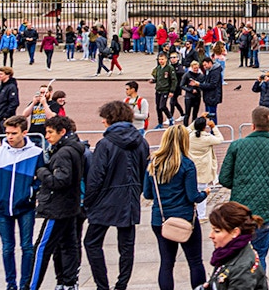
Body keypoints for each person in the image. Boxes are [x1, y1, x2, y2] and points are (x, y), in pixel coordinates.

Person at [219, 106, 269, 272]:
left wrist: (240, 186)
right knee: (260, 255)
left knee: (237, 254)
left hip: (240, 209)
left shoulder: (237, 146)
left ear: (252, 125)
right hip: (266, 208)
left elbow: (224, 178)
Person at [84, 100, 150, 290]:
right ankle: (122, 285)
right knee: (127, 246)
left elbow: (96, 177)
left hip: (105, 199)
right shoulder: (142, 142)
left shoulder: (105, 143)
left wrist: (88, 201)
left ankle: (102, 285)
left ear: (110, 119)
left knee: (91, 242)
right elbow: (143, 171)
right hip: (129, 197)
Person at [144, 124, 207, 290]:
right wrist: (205, 193)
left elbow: (148, 194)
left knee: (166, 263)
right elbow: (193, 196)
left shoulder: (154, 163)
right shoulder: (187, 164)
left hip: (161, 218)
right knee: (195, 261)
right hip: (185, 218)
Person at [0, 116, 44, 290]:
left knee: (27, 246)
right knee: (7, 248)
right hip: (2, 207)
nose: (9, 136)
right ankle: (10, 284)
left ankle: (25, 283)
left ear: (24, 132)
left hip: (25, 207)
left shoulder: (36, 153)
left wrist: (31, 192)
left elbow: (41, 178)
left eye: (13, 133)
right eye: (7, 133)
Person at [30, 115, 86, 290]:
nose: (46, 136)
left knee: (42, 247)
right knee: (68, 244)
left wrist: (41, 172)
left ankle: (31, 285)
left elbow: (60, 181)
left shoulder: (63, 153)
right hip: (70, 206)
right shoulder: (74, 149)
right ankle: (67, 282)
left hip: (58, 207)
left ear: (62, 132)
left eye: (50, 132)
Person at [201, 202, 269, 290]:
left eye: (217, 231)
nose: (211, 235)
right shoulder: (229, 252)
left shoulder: (242, 268)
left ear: (235, 232)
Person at [188, 116, 224, 219]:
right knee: (202, 191)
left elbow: (187, 129)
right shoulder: (207, 138)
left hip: (192, 166)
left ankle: (193, 212)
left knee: (191, 189)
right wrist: (214, 127)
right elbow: (220, 139)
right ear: (205, 127)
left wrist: (195, 122)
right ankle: (201, 215)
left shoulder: (190, 136)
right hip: (204, 167)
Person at [0, 66, 20, 133]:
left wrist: (5, 116)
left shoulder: (11, 87)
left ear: (8, 75)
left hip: (5, 119)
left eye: (1, 74)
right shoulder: (1, 86)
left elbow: (14, 103)